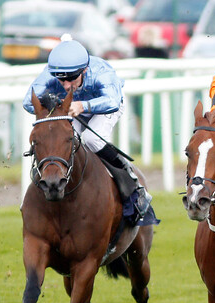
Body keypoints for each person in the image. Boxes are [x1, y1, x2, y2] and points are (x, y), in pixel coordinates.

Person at [23, 37, 151, 220]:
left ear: (84, 70)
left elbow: (112, 101)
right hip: (70, 109)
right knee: (62, 139)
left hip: (105, 108)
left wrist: (83, 106)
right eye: (61, 80)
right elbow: (28, 101)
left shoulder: (102, 71)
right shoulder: (51, 73)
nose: (66, 85)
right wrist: (56, 103)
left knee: (92, 139)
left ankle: (132, 188)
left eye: (71, 79)